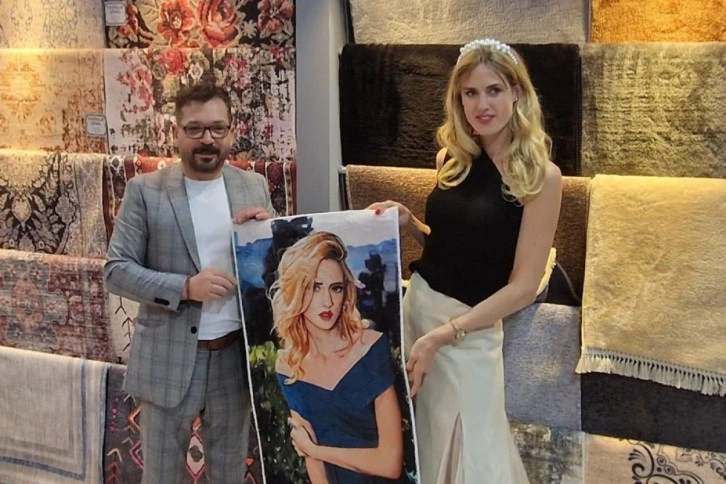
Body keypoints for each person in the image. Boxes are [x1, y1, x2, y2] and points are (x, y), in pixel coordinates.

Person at [369, 38, 562, 483]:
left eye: (494, 90)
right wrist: (410, 223)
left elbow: (523, 286)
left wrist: (445, 334)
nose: (482, 105)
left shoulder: (541, 177)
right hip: (418, 312)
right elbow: (453, 242)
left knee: (474, 450)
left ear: (517, 91)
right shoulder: (451, 159)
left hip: (467, 332)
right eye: (470, 93)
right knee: (421, 440)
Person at [104, 84, 275, 483]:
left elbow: (274, 271)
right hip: (168, 358)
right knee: (161, 476)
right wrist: (185, 288)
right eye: (195, 129)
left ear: (231, 131)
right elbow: (116, 271)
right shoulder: (145, 191)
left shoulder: (253, 186)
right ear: (176, 132)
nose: (207, 139)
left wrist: (267, 237)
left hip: (234, 358)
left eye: (217, 128)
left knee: (229, 475)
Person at [269, 231, 406, 483]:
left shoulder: (371, 348)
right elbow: (313, 462)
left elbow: (390, 463)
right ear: (296, 291)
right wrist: (313, 453)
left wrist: (316, 451)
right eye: (315, 287)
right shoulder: (289, 366)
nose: (328, 302)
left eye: (336, 288)